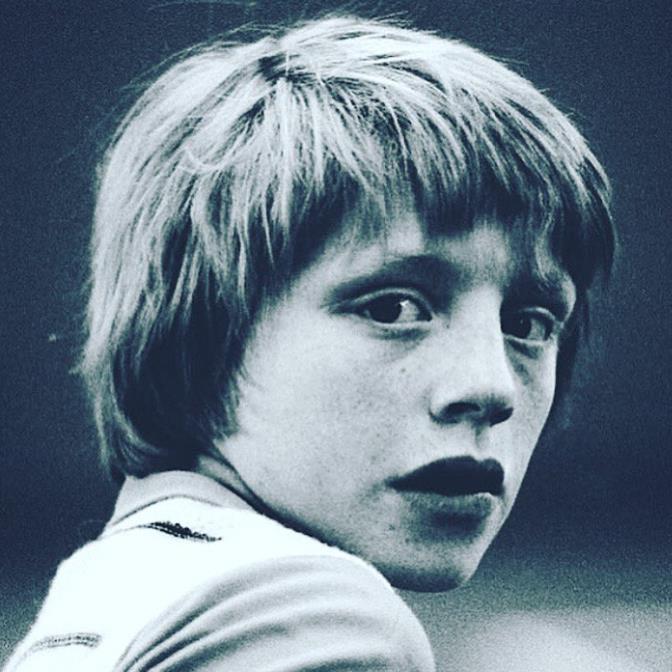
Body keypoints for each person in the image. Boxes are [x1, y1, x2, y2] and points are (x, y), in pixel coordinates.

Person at [5, 14, 614, 671]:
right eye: (393, 308)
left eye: (528, 323)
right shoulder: (317, 619)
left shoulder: (105, 601)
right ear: (198, 340)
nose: (490, 387)